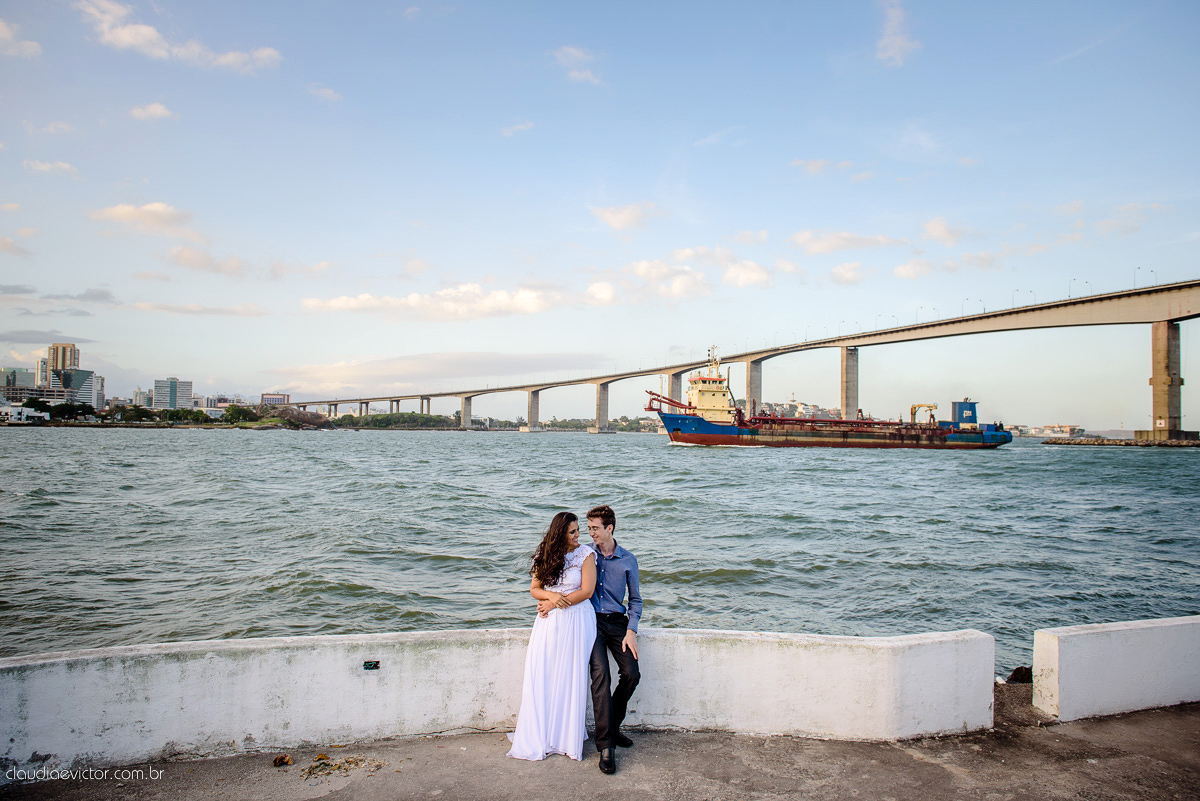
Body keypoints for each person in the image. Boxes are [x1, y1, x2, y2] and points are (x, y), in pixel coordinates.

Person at [507, 511, 597, 761]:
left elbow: (587, 591)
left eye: (579, 530)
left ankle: (566, 738)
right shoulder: (544, 555)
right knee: (544, 674)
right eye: (572, 532)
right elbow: (535, 589)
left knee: (570, 676)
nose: (578, 535)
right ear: (560, 534)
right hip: (548, 624)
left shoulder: (586, 554)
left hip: (577, 619)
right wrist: (550, 597)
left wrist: (556, 602)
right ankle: (544, 735)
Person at [586, 504, 642, 775]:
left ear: (610, 528)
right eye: (589, 528)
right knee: (601, 676)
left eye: (595, 528)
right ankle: (606, 746)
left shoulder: (628, 560)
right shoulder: (586, 554)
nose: (591, 533)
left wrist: (631, 630)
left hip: (618, 623)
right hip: (591, 622)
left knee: (631, 673)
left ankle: (613, 725)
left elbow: (635, 600)